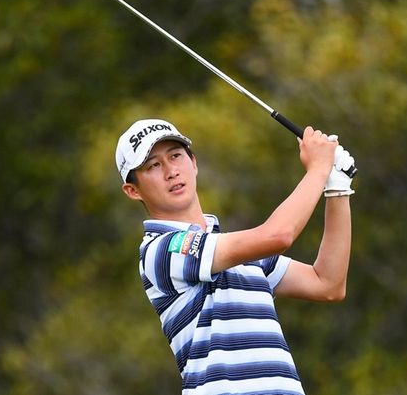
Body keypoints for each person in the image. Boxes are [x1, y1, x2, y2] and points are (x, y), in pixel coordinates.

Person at [115, 118, 355, 395]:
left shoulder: (239, 251)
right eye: (153, 166)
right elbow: (278, 236)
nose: (171, 171)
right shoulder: (162, 250)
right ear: (133, 190)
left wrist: (337, 189)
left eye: (176, 156)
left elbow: (327, 284)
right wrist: (318, 168)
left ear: (193, 163)